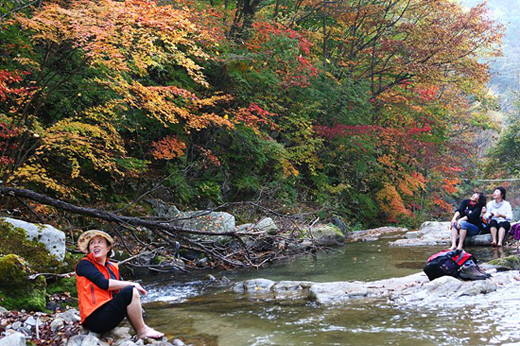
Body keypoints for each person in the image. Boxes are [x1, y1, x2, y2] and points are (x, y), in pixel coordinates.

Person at [75, 230, 164, 339]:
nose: (95, 245)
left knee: (128, 292)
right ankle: (142, 331)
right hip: (94, 319)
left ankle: (140, 330)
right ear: (89, 249)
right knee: (130, 290)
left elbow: (119, 293)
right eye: (92, 243)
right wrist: (132, 285)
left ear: (108, 248)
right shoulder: (84, 264)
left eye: (99, 242)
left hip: (108, 313)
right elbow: (104, 283)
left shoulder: (112, 267)